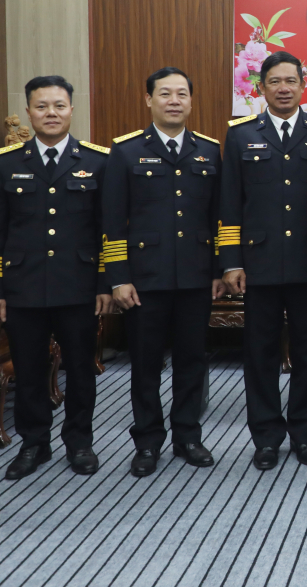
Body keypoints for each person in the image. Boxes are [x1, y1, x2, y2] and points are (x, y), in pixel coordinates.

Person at [0, 75, 110, 479]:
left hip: (79, 286)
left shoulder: (96, 161)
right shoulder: (6, 163)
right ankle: (34, 443)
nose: (51, 113)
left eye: (58, 105)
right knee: (29, 369)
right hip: (23, 287)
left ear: (71, 109)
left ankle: (79, 442)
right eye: (41, 106)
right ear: (29, 112)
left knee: (81, 368)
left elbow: (107, 229)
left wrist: (105, 283)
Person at [102, 67, 224, 478]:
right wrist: (118, 277)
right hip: (144, 279)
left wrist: (218, 270)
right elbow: (112, 220)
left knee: (192, 361)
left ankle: (188, 435)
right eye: (165, 94)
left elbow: (219, 217)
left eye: (182, 94)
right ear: (148, 100)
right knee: (145, 364)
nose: (174, 101)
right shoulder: (126, 151)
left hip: (195, 276)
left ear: (191, 101)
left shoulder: (209, 151)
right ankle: (147, 441)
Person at [220, 51, 307, 471]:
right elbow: (230, 203)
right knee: (260, 353)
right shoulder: (240, 136)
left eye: (291, 81)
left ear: (304, 86)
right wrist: (230, 262)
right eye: (275, 81)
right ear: (261, 88)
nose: (284, 88)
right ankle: (266, 436)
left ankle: (304, 432)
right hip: (259, 263)